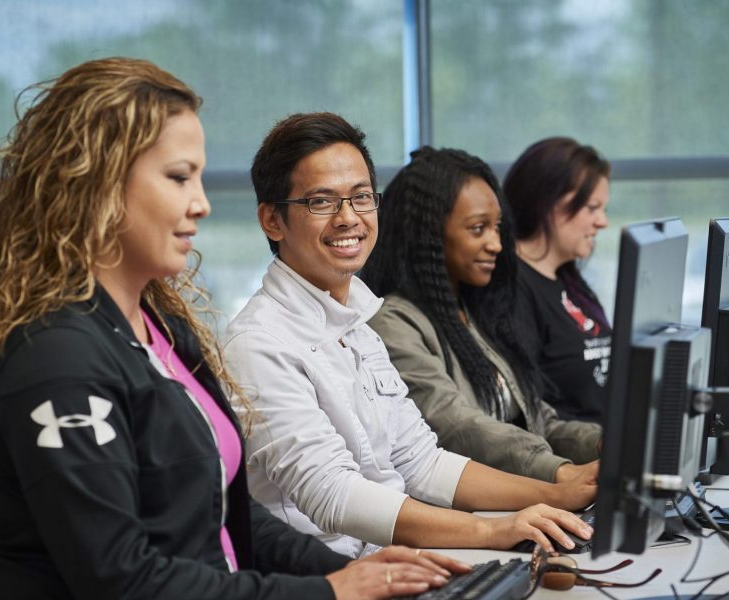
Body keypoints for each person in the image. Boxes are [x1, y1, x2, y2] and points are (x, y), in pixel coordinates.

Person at [0, 59, 462, 600]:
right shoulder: (58, 355)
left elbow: (225, 513)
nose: (201, 203)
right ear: (97, 183)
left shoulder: (158, 329)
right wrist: (329, 596)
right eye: (178, 177)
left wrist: (356, 576)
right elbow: (123, 580)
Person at [225, 112, 595, 561]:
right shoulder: (257, 343)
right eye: (322, 202)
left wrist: (557, 495)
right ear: (272, 220)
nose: (349, 218)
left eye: (362, 197)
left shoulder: (358, 324)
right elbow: (332, 493)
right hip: (322, 583)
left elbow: (422, 462)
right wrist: (492, 531)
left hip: (391, 563)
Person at [361, 146, 601, 490]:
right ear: (429, 235)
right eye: (478, 229)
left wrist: (603, 443)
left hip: (520, 493)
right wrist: (558, 471)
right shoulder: (394, 323)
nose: (496, 244)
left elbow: (539, 421)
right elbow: (454, 424)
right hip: (468, 506)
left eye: (496, 227)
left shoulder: (474, 312)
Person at [502, 137, 613, 423]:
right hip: (571, 448)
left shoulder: (568, 277)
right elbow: (529, 409)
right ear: (548, 203)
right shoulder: (513, 287)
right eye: (592, 208)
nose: (603, 222)